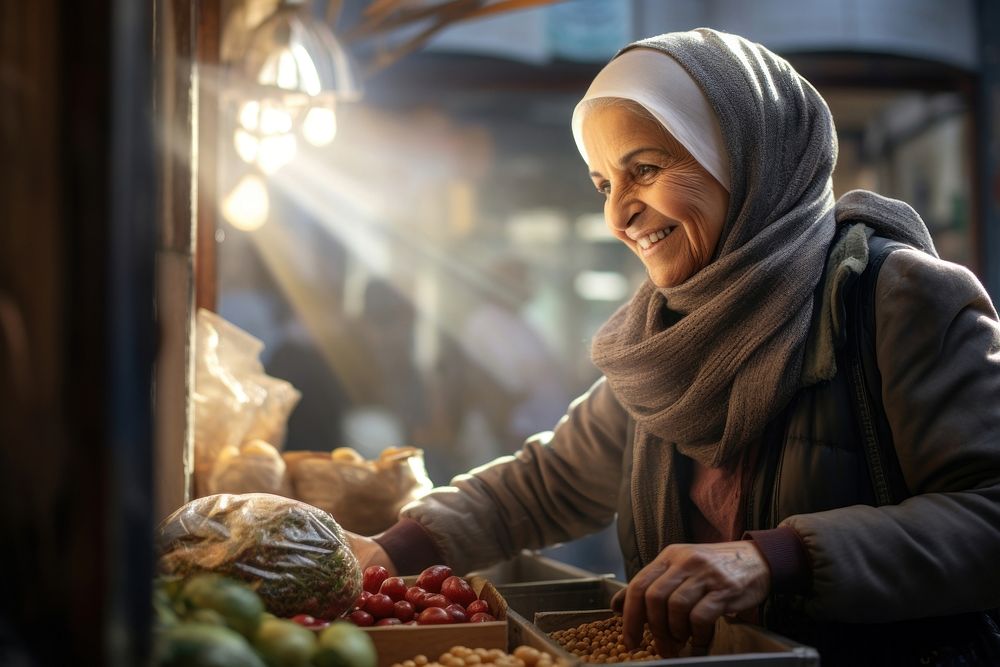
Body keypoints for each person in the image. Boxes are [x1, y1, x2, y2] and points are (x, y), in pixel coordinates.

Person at [348, 28, 1000, 665]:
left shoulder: (897, 299)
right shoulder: (664, 341)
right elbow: (540, 485)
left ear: (748, 157)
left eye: (646, 169)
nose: (618, 214)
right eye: (605, 183)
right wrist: (390, 551)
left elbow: (988, 513)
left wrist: (776, 558)